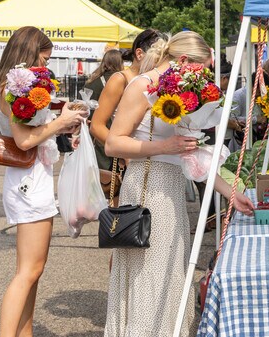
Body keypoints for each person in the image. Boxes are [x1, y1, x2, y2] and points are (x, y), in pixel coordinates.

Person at [103, 30, 254, 336]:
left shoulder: (182, 91)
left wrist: (230, 193)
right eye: (203, 68)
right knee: (150, 274)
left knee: (170, 271)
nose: (206, 76)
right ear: (183, 60)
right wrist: (163, 147)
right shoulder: (141, 86)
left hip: (171, 187)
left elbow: (191, 154)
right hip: (147, 185)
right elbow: (113, 144)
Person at [0, 26, 87, 337]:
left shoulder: (16, 88)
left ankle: (25, 332)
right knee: (28, 271)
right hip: (27, 183)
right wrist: (59, 122)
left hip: (32, 180)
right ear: (28, 55)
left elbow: (34, 133)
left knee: (34, 271)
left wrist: (60, 122)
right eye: (42, 60)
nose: (44, 67)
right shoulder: (14, 89)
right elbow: (23, 140)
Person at [90, 30, 165, 191]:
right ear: (139, 53)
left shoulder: (157, 80)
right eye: (159, 58)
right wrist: (125, 153)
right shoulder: (120, 79)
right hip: (123, 164)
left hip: (153, 162)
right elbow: (97, 125)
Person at [83, 50, 123, 168]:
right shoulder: (123, 81)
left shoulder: (92, 81)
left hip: (96, 132)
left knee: (99, 171)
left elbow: (84, 106)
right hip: (117, 130)